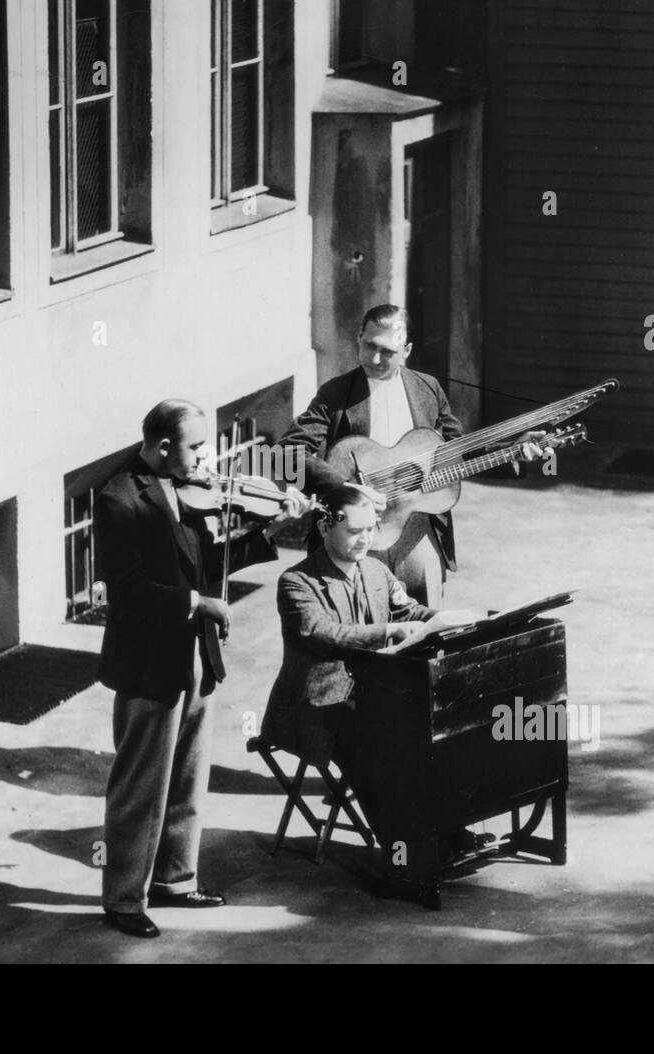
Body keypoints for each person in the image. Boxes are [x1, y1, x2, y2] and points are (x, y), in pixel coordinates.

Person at [93, 398, 305, 938]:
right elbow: (127, 589)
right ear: (163, 447)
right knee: (142, 784)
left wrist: (272, 528)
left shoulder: (192, 492)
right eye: (196, 448)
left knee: (189, 773)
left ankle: (175, 880)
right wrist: (196, 602)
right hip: (148, 658)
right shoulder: (120, 498)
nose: (207, 459)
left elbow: (209, 562)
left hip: (196, 654)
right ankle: (122, 899)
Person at [276, 304, 538, 607]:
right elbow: (285, 453)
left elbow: (459, 452)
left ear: (407, 349)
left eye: (387, 352)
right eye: (368, 345)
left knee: (426, 629)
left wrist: (515, 453)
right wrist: (342, 487)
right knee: (361, 636)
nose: (374, 359)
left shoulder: (428, 389)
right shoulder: (335, 393)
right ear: (358, 338)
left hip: (417, 529)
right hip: (355, 532)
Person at [261, 484, 476, 773]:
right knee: (399, 739)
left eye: (371, 529)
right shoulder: (296, 581)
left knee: (441, 718)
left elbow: (408, 611)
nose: (365, 539)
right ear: (325, 528)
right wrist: (389, 631)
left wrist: (451, 619)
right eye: (354, 531)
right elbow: (326, 635)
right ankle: (397, 809)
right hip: (319, 706)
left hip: (368, 692)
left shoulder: (375, 569)